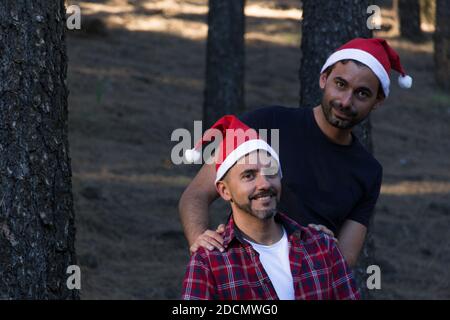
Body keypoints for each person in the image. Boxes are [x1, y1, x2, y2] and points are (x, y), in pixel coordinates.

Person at [179, 38, 412, 267]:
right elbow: (195, 195)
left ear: (377, 101)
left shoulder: (368, 171)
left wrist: (326, 245)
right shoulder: (267, 124)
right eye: (340, 84)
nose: (345, 101)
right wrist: (202, 243)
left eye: (362, 93)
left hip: (307, 286)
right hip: (242, 279)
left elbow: (345, 260)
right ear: (324, 79)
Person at [181, 115, 359, 300]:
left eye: (271, 172)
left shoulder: (322, 247)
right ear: (225, 191)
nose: (264, 183)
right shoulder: (209, 262)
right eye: (249, 175)